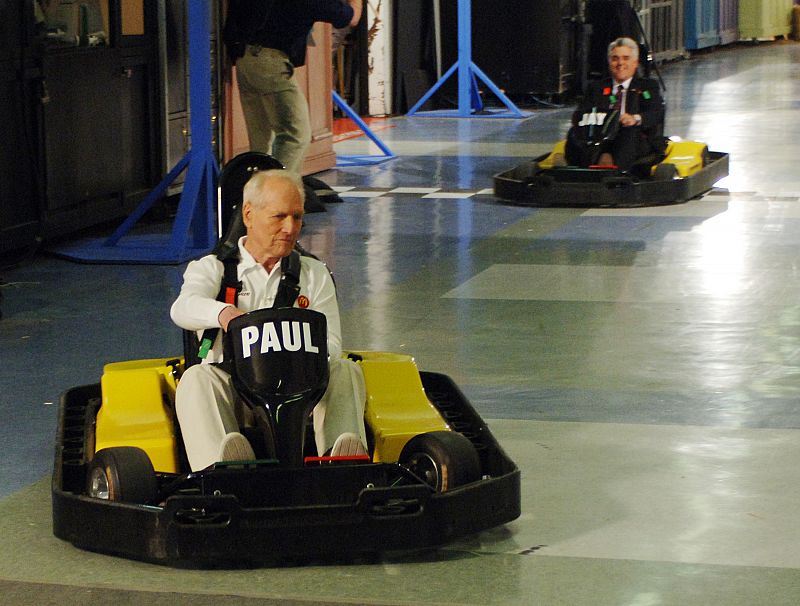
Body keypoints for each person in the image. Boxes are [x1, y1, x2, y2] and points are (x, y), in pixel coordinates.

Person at [170, 169, 368, 471]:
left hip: (301, 391)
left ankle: (341, 462)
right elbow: (182, 308)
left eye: (298, 217)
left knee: (345, 370)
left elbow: (332, 343)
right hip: (236, 391)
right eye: (279, 217)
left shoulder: (313, 274)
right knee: (196, 379)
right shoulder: (213, 269)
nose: (290, 228)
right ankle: (223, 469)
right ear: (249, 214)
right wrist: (223, 313)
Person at [224, 0, 363, 174]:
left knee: (260, 143)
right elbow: (351, 18)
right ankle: (279, 195)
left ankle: (257, 195)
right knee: (296, 134)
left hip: (245, 58)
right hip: (270, 64)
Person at [564, 37, 665, 171]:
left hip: (634, 137)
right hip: (600, 137)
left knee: (628, 132)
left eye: (625, 58)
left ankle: (617, 173)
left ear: (635, 63)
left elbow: (656, 113)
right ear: (609, 62)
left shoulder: (648, 86)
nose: (620, 63)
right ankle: (581, 169)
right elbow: (583, 112)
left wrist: (634, 119)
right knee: (574, 132)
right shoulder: (596, 88)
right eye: (615, 58)